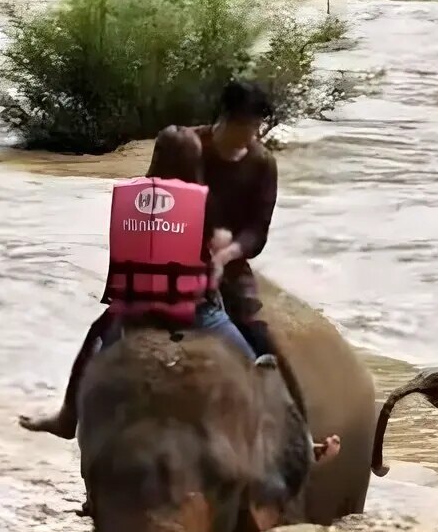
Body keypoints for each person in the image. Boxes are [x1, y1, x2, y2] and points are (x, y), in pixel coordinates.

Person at [19, 79, 296, 439]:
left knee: (260, 332)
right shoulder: (189, 146)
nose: (251, 136)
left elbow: (257, 231)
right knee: (99, 332)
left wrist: (225, 254)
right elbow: (161, 204)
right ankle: (68, 416)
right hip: (179, 269)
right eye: (246, 126)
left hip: (226, 264)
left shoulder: (261, 163)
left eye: (256, 128)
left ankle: (297, 432)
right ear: (225, 118)